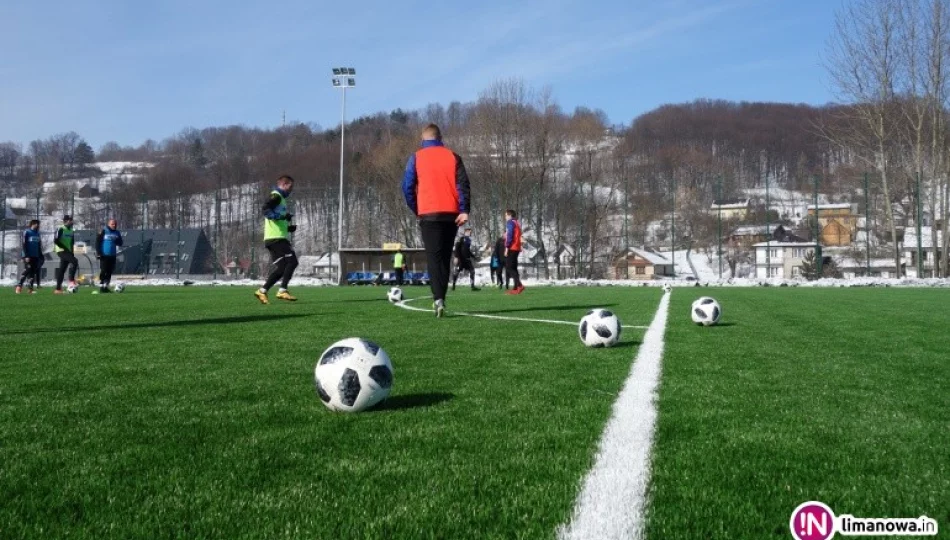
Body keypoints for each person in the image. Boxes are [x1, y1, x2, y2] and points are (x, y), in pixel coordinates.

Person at [402, 123, 471, 317]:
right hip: (451, 213)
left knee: (434, 256)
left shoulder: (416, 157)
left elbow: (407, 187)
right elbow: (463, 184)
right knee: (445, 256)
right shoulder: (453, 156)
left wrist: (417, 208)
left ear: (423, 139)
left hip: (429, 214)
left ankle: (438, 298)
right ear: (440, 138)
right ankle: (441, 297)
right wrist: (464, 210)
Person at [254, 175, 299, 304]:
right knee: (293, 262)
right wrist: (281, 217)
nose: (291, 189)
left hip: (274, 238)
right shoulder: (276, 196)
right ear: (284, 185)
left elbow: (277, 218)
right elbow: (265, 209)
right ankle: (282, 290)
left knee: (281, 268)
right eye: (290, 186)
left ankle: (262, 291)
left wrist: (288, 227)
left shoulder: (281, 199)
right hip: (276, 239)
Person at [96, 218, 123, 293]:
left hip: (112, 255)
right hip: (104, 255)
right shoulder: (103, 231)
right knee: (104, 270)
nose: (114, 225)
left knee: (109, 271)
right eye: (112, 224)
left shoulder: (117, 232)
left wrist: (116, 240)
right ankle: (101, 286)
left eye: (115, 224)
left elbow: (120, 243)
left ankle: (106, 286)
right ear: (108, 224)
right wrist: (98, 253)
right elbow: (98, 242)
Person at [15, 220, 42, 294]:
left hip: (35, 256)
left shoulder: (38, 233)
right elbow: (24, 244)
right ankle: (19, 286)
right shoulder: (27, 232)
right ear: (33, 224)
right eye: (37, 224)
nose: (38, 226)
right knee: (28, 269)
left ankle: (30, 289)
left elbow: (39, 246)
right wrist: (26, 255)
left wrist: (40, 255)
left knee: (33, 272)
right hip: (27, 256)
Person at [53, 215, 78, 294]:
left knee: (62, 270)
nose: (72, 222)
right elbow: (56, 241)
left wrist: (72, 252)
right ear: (67, 221)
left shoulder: (71, 230)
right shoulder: (61, 229)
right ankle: (71, 280)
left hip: (68, 251)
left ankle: (57, 289)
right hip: (61, 250)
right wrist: (64, 248)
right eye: (71, 220)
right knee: (75, 261)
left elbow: (71, 242)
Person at [451, 227, 479, 291]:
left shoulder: (469, 240)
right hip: (461, 260)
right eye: (469, 231)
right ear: (466, 232)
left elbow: (468, 251)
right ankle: (453, 285)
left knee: (472, 271)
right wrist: (456, 257)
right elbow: (457, 247)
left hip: (467, 259)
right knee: (456, 272)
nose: (470, 232)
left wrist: (474, 257)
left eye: (470, 231)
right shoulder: (462, 238)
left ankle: (472, 286)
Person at [504, 209, 524, 294]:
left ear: (509, 215)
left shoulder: (510, 223)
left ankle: (519, 285)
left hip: (512, 247)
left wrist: (507, 247)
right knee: (514, 268)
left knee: (509, 267)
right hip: (517, 248)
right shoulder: (517, 223)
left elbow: (510, 235)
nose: (505, 217)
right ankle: (516, 288)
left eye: (505, 215)